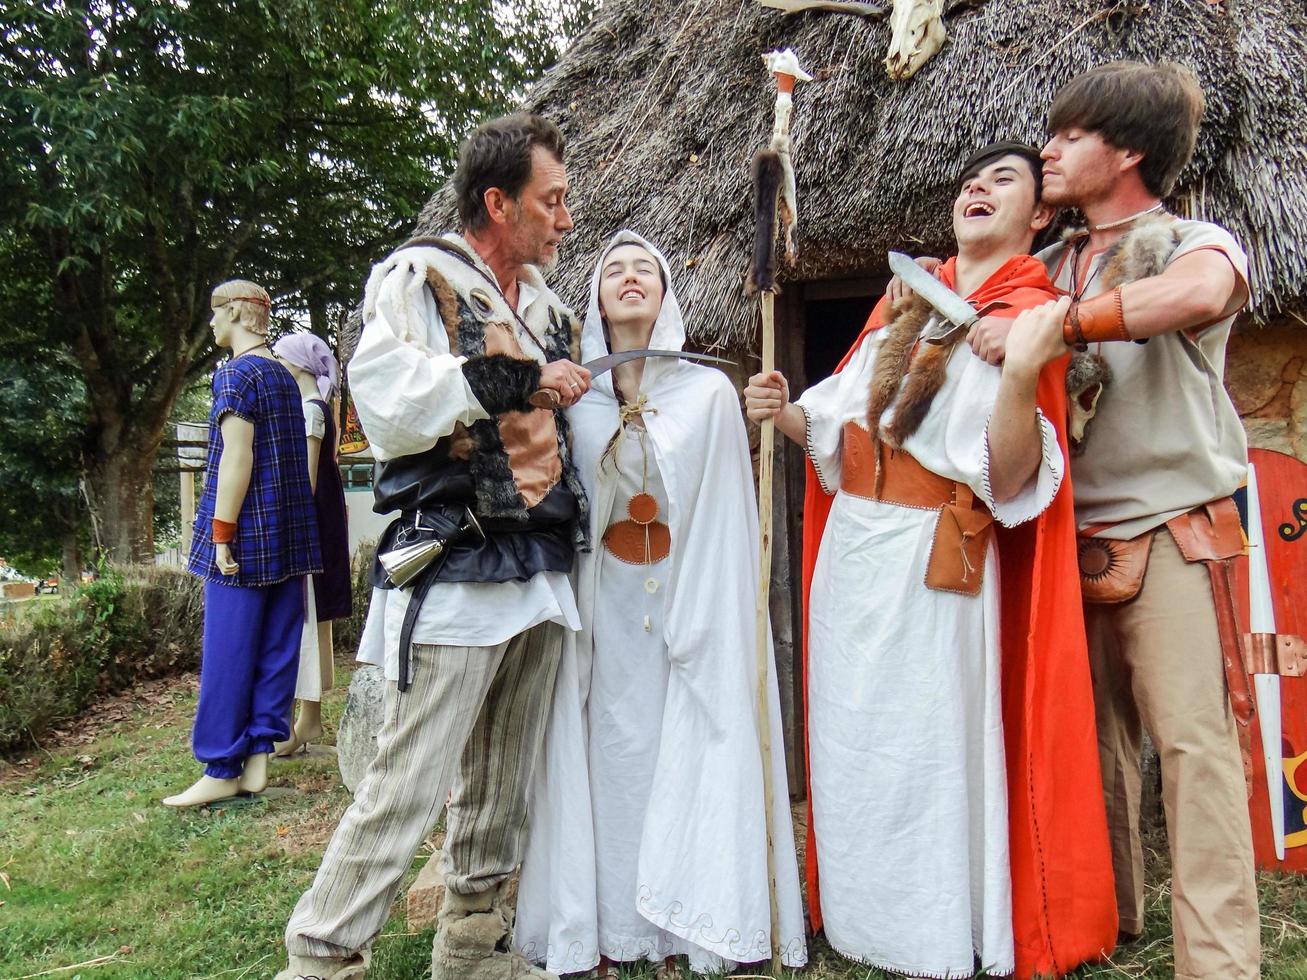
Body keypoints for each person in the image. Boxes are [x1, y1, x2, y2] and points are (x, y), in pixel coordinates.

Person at [746, 143, 1117, 978]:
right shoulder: (902, 298)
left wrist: (1021, 367)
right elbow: (838, 436)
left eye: (1003, 180)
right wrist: (786, 414)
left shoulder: (1035, 310)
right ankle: (856, 915)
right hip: (855, 549)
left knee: (928, 745)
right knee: (852, 734)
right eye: (969, 180)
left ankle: (932, 932)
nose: (976, 188)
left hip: (936, 555)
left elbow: (1017, 476)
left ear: (1040, 215)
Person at [277, 113, 592, 980]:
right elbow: (387, 397)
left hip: (538, 564)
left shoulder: (550, 308)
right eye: (550, 200)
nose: (566, 219)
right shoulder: (419, 279)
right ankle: (321, 959)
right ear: (498, 202)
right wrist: (519, 380)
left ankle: (471, 947)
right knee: (409, 778)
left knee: (501, 774)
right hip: (454, 559)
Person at [512, 232, 808, 978]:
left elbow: (722, 514)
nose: (630, 277)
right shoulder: (573, 401)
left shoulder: (706, 395)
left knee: (691, 739)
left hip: (688, 593)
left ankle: (695, 918)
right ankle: (611, 919)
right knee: (615, 748)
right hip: (601, 601)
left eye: (645, 267)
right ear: (596, 296)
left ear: (668, 293)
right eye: (613, 268)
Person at [1033, 61, 1260, 980]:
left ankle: (1220, 965)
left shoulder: (1193, 240)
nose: (1046, 148)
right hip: (1056, 538)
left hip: (1169, 528)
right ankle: (1105, 926)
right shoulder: (1043, 261)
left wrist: (1063, 327)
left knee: (1194, 749)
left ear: (1126, 149)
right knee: (1088, 753)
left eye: (1071, 134)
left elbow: (1201, 296)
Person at [163, 280, 322, 808]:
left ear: (233, 313)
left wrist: (222, 533)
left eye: (214, 314)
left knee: (229, 650)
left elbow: (237, 457)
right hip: (288, 533)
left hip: (246, 534)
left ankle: (220, 764)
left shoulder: (234, 374)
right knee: (277, 644)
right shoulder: (280, 374)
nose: (210, 324)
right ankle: (258, 756)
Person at [271, 332, 353, 756]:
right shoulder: (317, 408)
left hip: (307, 530)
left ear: (298, 364)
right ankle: (308, 719)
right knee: (311, 619)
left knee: (302, 618)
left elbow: (303, 481)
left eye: (281, 358)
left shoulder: (309, 411)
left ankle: (300, 721)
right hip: (319, 527)